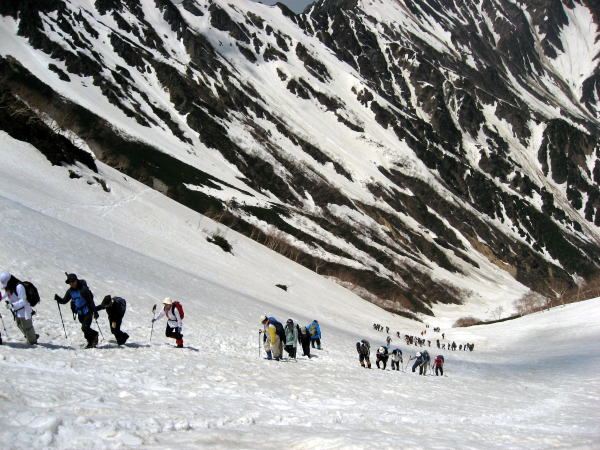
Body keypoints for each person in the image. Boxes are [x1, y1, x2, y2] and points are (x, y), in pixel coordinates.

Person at [55, 273, 99, 348]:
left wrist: (95, 312)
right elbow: (64, 301)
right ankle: (90, 342)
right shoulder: (70, 291)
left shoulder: (83, 289)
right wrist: (58, 299)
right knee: (85, 329)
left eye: (73, 281)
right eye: (70, 282)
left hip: (88, 311)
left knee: (85, 327)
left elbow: (90, 301)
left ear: (76, 281)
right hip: (80, 313)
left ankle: (94, 335)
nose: (72, 284)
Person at [0, 272, 38, 345]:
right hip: (17, 312)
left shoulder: (19, 287)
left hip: (24, 311)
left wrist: (12, 305)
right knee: (19, 325)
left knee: (27, 327)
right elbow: (3, 294)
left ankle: (33, 343)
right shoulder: (9, 287)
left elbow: (23, 300)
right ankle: (31, 338)